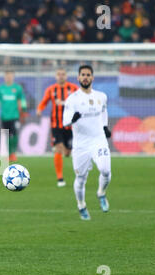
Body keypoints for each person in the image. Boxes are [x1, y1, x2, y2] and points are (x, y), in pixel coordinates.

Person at [63, 65, 112, 221]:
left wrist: (105, 126)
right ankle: (81, 205)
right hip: (81, 145)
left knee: (105, 170)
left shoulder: (101, 96)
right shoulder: (72, 100)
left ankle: (101, 193)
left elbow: (104, 111)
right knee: (81, 178)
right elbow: (65, 122)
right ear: (78, 78)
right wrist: (73, 119)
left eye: (88, 75)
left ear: (92, 78)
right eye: (82, 74)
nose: (85, 77)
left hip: (99, 140)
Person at [36, 67, 78, 187]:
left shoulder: (73, 88)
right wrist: (39, 109)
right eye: (58, 74)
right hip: (56, 125)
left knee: (67, 153)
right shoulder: (51, 89)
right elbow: (44, 101)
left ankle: (68, 153)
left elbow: (79, 102)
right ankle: (60, 178)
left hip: (70, 126)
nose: (61, 76)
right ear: (56, 76)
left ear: (66, 76)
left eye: (63, 74)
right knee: (58, 148)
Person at [0, 70, 27, 162]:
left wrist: (23, 111)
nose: (8, 77)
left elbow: (22, 99)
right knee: (7, 135)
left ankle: (13, 153)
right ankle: (9, 154)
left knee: (14, 134)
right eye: (7, 76)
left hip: (15, 116)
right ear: (4, 77)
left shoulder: (17, 88)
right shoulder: (0, 88)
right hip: (4, 116)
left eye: (10, 76)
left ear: (13, 77)